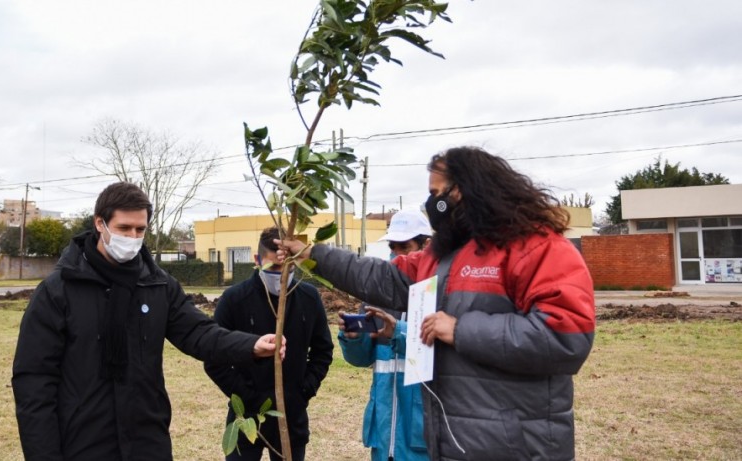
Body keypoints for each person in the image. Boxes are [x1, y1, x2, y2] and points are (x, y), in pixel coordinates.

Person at [278, 147, 595, 461]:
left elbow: (566, 338)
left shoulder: (538, 248)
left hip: (520, 447)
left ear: (465, 189)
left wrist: (460, 330)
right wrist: (313, 255)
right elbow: (379, 277)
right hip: (452, 443)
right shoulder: (442, 257)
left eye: (436, 193)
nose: (432, 204)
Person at [12, 182, 284, 461]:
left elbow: (198, 332)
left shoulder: (157, 285)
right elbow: (34, 380)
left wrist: (251, 345)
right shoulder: (58, 290)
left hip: (147, 440)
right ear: (100, 224)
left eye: (139, 230)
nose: (132, 237)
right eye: (124, 228)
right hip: (83, 441)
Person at [204, 227, 333, 461]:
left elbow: (323, 352)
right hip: (246, 418)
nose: (282, 276)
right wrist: (247, 397)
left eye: (289, 267)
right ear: (257, 260)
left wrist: (303, 392)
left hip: (292, 417)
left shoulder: (308, 298)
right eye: (274, 268)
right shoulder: (234, 299)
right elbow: (214, 358)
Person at [337, 209, 431, 461]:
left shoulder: (437, 295)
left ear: (427, 245)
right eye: (393, 246)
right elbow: (361, 359)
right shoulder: (376, 294)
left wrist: (399, 332)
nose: (397, 253)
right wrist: (353, 338)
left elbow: (438, 353)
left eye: (405, 246)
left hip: (421, 436)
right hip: (383, 432)